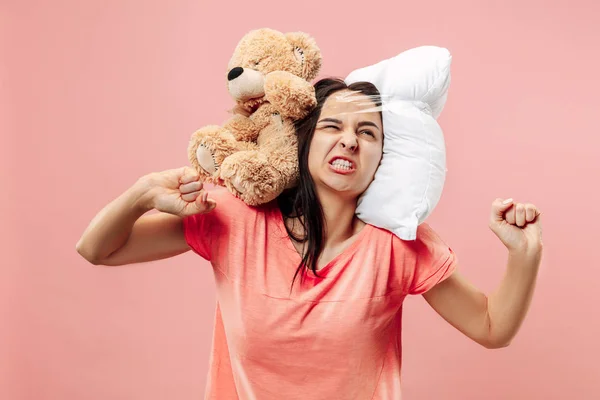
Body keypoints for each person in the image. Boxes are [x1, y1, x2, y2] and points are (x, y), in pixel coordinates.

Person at [76, 78, 543, 399]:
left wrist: (524, 253)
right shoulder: (236, 217)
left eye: (367, 132)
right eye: (331, 127)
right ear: (304, 144)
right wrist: (140, 194)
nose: (349, 141)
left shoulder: (398, 246)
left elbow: (491, 327)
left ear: (383, 158)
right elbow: (98, 249)